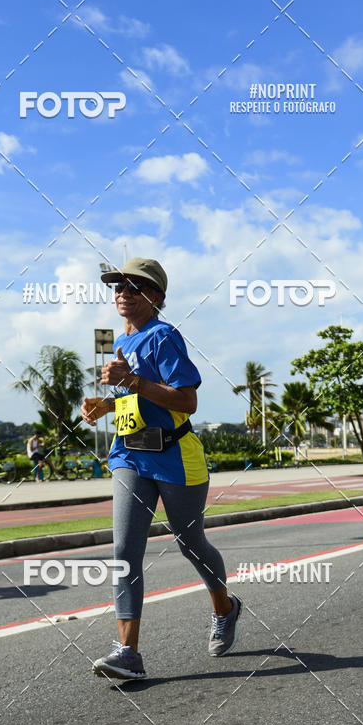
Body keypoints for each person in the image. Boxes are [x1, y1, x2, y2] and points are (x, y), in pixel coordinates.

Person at [80, 257, 242, 681]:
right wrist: (108, 404)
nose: (122, 292)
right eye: (117, 286)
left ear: (156, 297)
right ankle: (127, 652)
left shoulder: (164, 336)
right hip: (130, 454)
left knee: (190, 544)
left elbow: (186, 401)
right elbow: (142, 400)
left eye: (134, 286)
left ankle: (225, 607)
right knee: (124, 552)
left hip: (175, 456)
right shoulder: (124, 341)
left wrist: (130, 382)